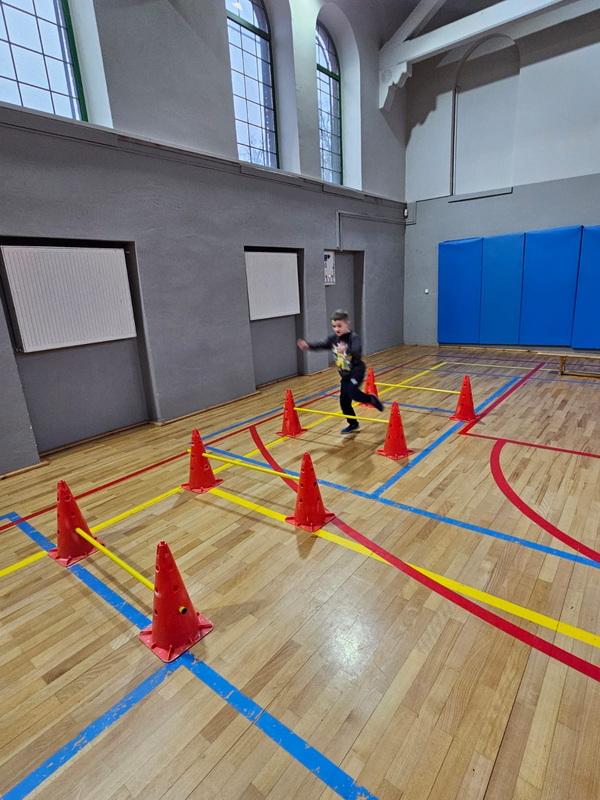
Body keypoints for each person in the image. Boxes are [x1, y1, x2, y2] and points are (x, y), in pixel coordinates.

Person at [297, 309, 384, 433]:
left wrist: (346, 350)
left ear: (347, 323)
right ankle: (353, 424)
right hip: (345, 373)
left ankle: (371, 399)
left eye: (339, 326)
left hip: (356, 371)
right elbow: (323, 344)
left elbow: (357, 351)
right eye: (334, 326)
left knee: (353, 392)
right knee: (344, 402)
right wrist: (309, 346)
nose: (336, 329)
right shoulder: (334, 338)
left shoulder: (353, 337)